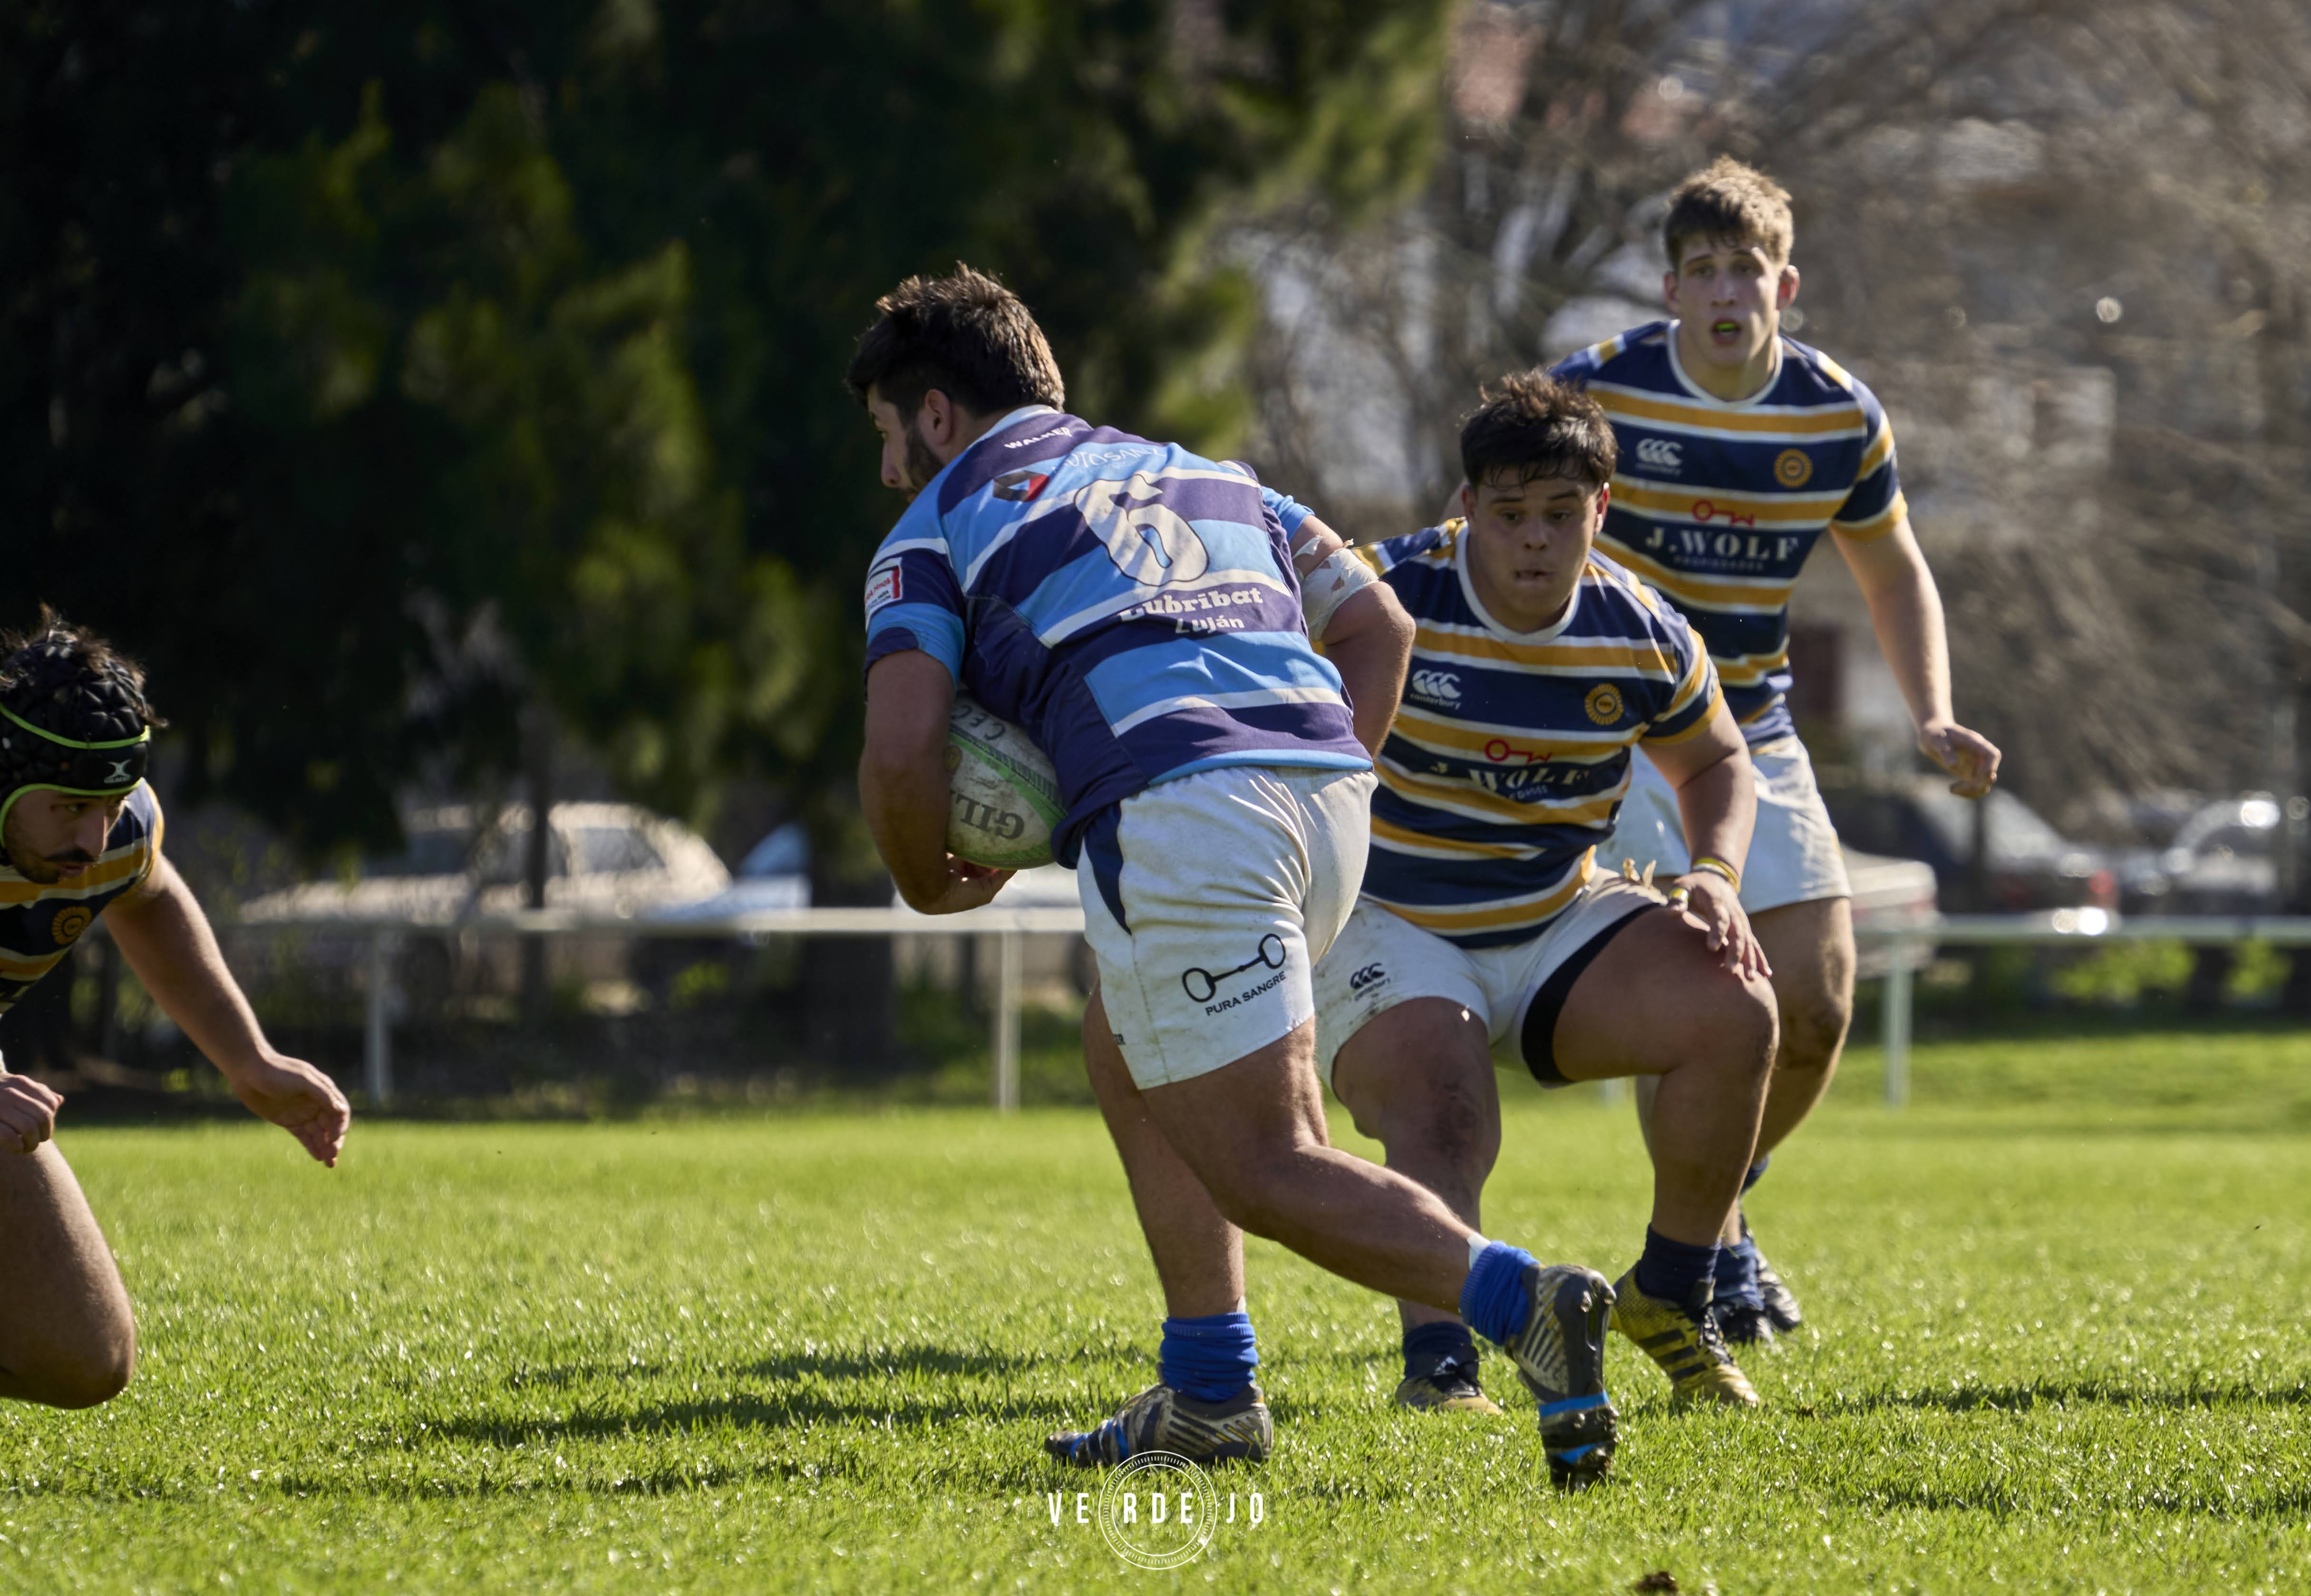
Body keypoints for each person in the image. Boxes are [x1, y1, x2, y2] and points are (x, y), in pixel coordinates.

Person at [847, 264, 1624, 1487]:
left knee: (1268, 1159)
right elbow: (1380, 625)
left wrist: (929, 880)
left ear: (936, 415)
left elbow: (900, 748)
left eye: (892, 437)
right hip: (1322, 793)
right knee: (1124, 1037)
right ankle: (1210, 1390)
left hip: (1184, 814)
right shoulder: (1213, 474)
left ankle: (1524, 1301)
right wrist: (1313, 784)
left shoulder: (934, 524)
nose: (892, 468)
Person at [1550, 157, 2001, 1344]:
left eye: (1743, 268)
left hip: (1755, 721)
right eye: (1700, 270)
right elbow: (1485, 524)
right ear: (1668, 289)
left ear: (1783, 283)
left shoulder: (1839, 414)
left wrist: (1932, 712)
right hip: (1623, 728)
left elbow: (1894, 570)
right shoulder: (1598, 395)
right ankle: (1701, 1262)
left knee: (1819, 1000)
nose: (1722, 290)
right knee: (1708, 987)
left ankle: (1715, 1219)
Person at [1319, 372, 1782, 1415]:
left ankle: (1673, 1294)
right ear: (1467, 509)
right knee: (1445, 1104)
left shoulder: (1643, 631)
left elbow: (1717, 762)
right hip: (1389, 917)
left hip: (1554, 913)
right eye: (1512, 513)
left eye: (1562, 514)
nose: (1536, 539)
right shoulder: (1379, 598)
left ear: (1599, 513)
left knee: (1737, 1002)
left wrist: (1714, 873)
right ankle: (1440, 1367)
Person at [0, 610, 351, 1408]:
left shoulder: (111, 830)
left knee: (84, 1356)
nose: (92, 840)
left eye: (110, 805)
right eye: (67, 808)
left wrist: (246, 1059)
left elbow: (148, 897)